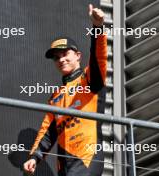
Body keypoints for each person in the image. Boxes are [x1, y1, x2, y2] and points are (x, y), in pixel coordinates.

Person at [24, 4, 107, 176]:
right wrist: (34, 157)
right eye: (56, 57)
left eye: (65, 54)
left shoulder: (89, 79)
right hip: (64, 163)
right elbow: (47, 133)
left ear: (78, 56)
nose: (61, 59)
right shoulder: (55, 97)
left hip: (87, 156)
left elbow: (99, 57)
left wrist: (98, 28)